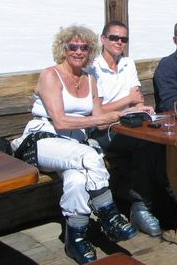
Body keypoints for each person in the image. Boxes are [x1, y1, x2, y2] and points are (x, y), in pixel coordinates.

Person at [11, 25, 139, 264]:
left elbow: (99, 118)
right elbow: (60, 120)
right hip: (45, 140)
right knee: (90, 157)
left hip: (74, 144)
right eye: (73, 46)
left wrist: (128, 113)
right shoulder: (51, 75)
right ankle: (109, 215)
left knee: (77, 179)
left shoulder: (90, 78)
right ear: (63, 48)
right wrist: (99, 120)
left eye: (84, 47)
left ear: (90, 51)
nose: (78, 51)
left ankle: (76, 238)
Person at [89, 20, 169, 237]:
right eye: (114, 38)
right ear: (103, 39)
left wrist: (139, 106)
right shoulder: (94, 68)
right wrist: (128, 101)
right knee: (146, 143)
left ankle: (162, 198)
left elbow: (137, 99)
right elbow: (98, 111)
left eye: (123, 39)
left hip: (129, 122)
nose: (119, 42)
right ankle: (141, 206)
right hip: (104, 128)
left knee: (162, 136)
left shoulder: (127, 63)